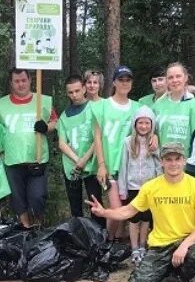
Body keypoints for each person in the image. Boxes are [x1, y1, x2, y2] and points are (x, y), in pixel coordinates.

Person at [87, 142, 195, 282]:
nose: (173, 163)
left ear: (184, 161)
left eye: (177, 159)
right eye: (168, 159)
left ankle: (183, 276)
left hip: (187, 241)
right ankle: (167, 268)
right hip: (160, 244)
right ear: (162, 162)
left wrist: (184, 245)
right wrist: (104, 212)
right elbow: (128, 211)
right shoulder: (151, 187)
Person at [0, 68, 58, 228]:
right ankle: (25, 230)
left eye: (23, 80)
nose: (21, 84)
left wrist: (46, 127)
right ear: (11, 83)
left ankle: (38, 228)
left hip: (37, 159)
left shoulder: (42, 101)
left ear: (30, 80)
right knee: (18, 200)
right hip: (12, 160)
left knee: (37, 197)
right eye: (17, 81)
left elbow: (55, 121)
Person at [93, 65, 141, 241]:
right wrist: (101, 164)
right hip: (110, 164)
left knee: (127, 206)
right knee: (115, 207)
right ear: (114, 82)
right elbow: (97, 137)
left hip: (130, 165)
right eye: (121, 80)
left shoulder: (137, 107)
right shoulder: (102, 106)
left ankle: (118, 238)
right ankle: (108, 241)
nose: (124, 83)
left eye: (128, 80)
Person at [57, 74, 104, 227]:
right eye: (70, 92)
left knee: (95, 202)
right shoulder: (64, 116)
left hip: (91, 165)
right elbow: (62, 143)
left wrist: (85, 159)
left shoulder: (94, 108)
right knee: (75, 206)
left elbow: (98, 137)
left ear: (84, 89)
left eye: (77, 90)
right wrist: (77, 160)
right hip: (72, 167)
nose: (74, 95)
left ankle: (99, 235)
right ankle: (79, 237)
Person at [117, 106, 162, 265]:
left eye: (147, 123)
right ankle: (134, 247)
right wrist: (122, 188)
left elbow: (158, 165)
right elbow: (124, 165)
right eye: (140, 123)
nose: (143, 126)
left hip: (150, 187)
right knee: (134, 218)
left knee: (146, 218)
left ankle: (143, 245)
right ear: (135, 124)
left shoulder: (154, 142)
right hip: (133, 186)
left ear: (152, 124)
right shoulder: (128, 142)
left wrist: (159, 185)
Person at [152, 62, 195, 176]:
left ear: (186, 78)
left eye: (178, 76)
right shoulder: (158, 105)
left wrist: (191, 164)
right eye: (171, 77)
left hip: (185, 168)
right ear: (167, 81)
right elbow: (152, 131)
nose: (174, 80)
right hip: (161, 167)